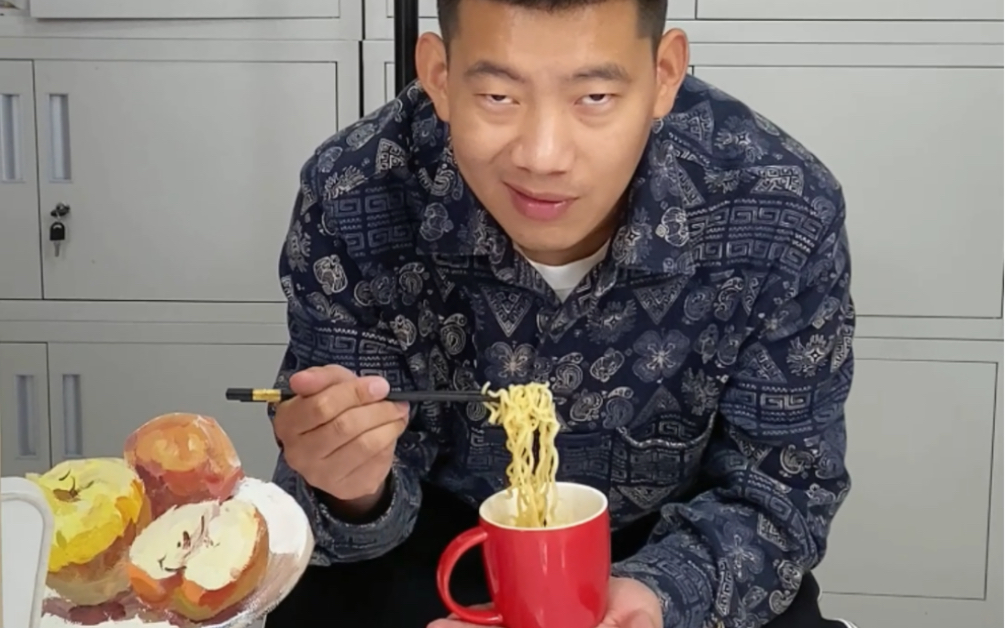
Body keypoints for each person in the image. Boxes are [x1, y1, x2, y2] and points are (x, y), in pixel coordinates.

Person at [264, 0, 855, 627]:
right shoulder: (355, 190)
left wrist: (658, 595)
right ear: (439, 74)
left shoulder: (781, 207)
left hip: (673, 540)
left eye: (595, 97)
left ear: (664, 74)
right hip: (430, 536)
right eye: (498, 96)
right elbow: (342, 517)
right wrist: (352, 489)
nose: (543, 157)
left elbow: (783, 487)